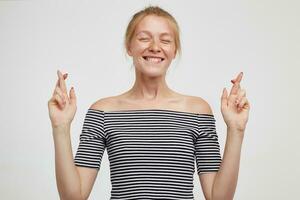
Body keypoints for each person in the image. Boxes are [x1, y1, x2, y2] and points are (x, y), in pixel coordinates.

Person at [48, 5, 250, 200]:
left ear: (174, 50)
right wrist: (61, 127)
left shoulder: (198, 112)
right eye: (144, 38)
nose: (155, 47)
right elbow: (73, 197)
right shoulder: (102, 112)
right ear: (129, 46)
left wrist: (236, 130)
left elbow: (218, 197)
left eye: (165, 40)